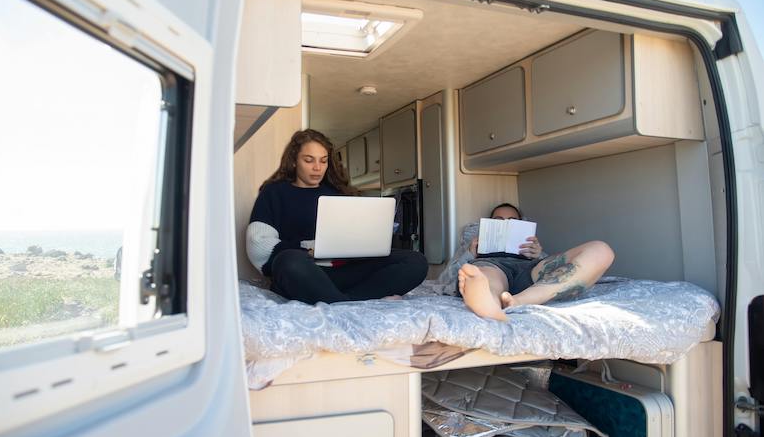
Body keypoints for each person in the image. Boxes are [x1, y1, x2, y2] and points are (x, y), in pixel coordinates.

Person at [246, 129, 428, 304]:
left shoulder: (339, 192)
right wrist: (308, 250)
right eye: (309, 160)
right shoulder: (275, 192)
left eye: (323, 161)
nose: (317, 167)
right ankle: (351, 300)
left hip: (344, 270)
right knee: (289, 261)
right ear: (294, 161)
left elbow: (355, 234)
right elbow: (258, 243)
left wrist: (369, 241)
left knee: (416, 261)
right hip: (306, 273)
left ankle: (342, 301)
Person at [458, 202, 614, 321]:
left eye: (512, 221)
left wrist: (539, 255)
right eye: (498, 220)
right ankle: (488, 300)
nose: (505, 223)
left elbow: (553, 267)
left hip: (530, 268)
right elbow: (446, 277)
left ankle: (518, 301)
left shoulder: (533, 247)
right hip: (492, 264)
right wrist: (470, 254)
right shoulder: (473, 243)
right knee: (488, 277)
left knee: (601, 250)